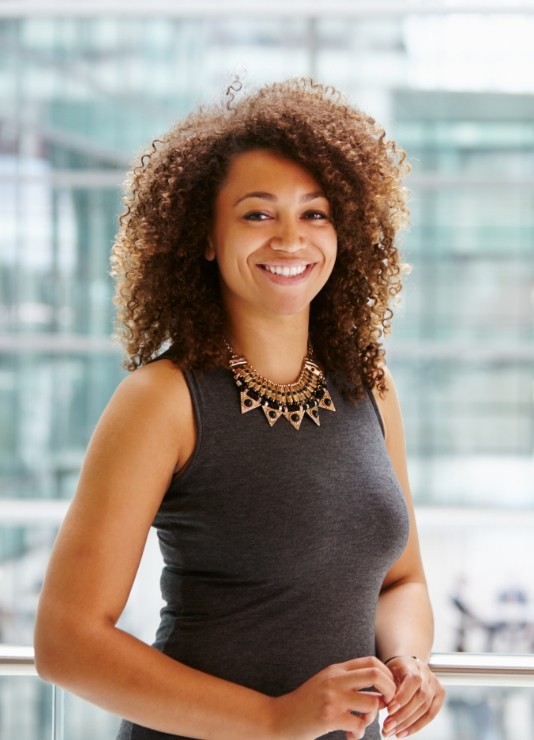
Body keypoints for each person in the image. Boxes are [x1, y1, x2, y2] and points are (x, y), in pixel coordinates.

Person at [34, 78, 445, 740]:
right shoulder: (162, 399)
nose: (291, 240)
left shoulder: (371, 387)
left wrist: (408, 660)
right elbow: (66, 642)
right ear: (204, 236)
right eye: (258, 214)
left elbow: (402, 581)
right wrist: (274, 718)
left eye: (315, 214)